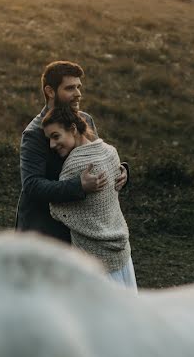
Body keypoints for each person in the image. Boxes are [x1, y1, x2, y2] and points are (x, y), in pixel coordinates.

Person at [15, 61, 128, 243]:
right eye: (70, 88)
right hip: (44, 233)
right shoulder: (34, 133)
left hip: (80, 230)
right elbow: (32, 185)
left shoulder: (86, 120)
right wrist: (79, 186)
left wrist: (121, 171)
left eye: (78, 87)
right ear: (50, 91)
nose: (78, 94)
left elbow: (96, 157)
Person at [43, 104, 136, 291]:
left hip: (94, 258)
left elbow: (56, 209)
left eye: (56, 136)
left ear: (73, 129)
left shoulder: (74, 164)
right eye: (49, 139)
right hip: (122, 250)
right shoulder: (110, 151)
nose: (52, 145)